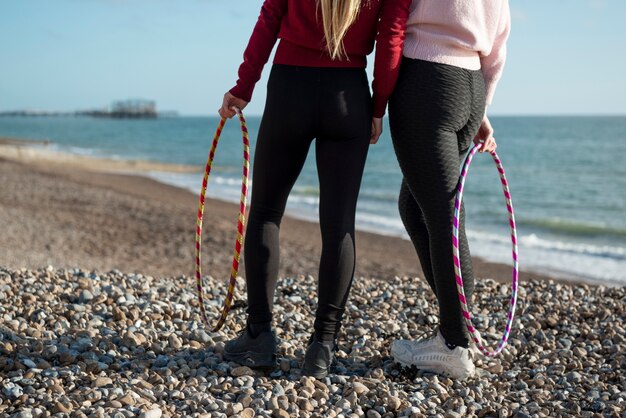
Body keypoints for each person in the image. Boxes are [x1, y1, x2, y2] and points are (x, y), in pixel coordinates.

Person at [218, 0, 410, 378]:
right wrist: (378, 106)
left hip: (290, 87)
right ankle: (321, 346)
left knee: (266, 213)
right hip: (348, 96)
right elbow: (392, 38)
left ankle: (259, 337)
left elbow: (270, 18)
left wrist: (244, 86)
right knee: (339, 225)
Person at [388, 0, 511, 379]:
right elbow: (499, 39)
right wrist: (481, 108)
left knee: (444, 218)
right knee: (415, 207)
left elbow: (392, 26)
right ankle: (454, 325)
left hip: (425, 81)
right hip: (470, 85)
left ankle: (454, 343)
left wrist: (378, 101)